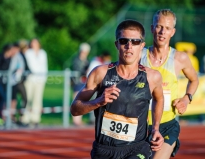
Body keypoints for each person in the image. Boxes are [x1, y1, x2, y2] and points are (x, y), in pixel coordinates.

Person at [71, 19, 164, 159]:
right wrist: (98, 102)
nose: (129, 46)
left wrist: (156, 128)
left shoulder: (152, 77)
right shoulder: (100, 73)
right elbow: (75, 109)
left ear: (142, 46)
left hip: (136, 149)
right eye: (123, 41)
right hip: (104, 150)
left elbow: (159, 98)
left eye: (135, 42)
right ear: (117, 44)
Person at [140, 9, 199, 159]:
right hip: (139, 126)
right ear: (152, 28)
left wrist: (186, 98)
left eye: (166, 28)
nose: (162, 32)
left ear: (172, 32)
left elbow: (194, 79)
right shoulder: (139, 56)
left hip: (167, 125)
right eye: (159, 26)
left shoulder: (180, 58)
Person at [21, 38, 48, 128]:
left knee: (37, 99)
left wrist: (43, 77)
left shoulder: (42, 53)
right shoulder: (28, 52)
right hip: (30, 78)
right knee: (27, 98)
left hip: (40, 79)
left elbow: (44, 66)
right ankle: (25, 118)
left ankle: (35, 118)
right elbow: (29, 65)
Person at [86, 50, 111, 124]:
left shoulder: (107, 63)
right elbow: (89, 73)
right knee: (94, 101)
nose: (108, 59)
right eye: (107, 57)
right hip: (95, 85)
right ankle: (92, 119)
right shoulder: (95, 62)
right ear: (104, 56)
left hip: (104, 86)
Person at [70, 42, 90, 126]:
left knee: (81, 101)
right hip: (77, 82)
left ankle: (79, 119)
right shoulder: (76, 60)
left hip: (83, 83)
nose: (84, 53)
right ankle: (75, 120)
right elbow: (77, 70)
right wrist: (84, 72)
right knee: (76, 100)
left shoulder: (86, 60)